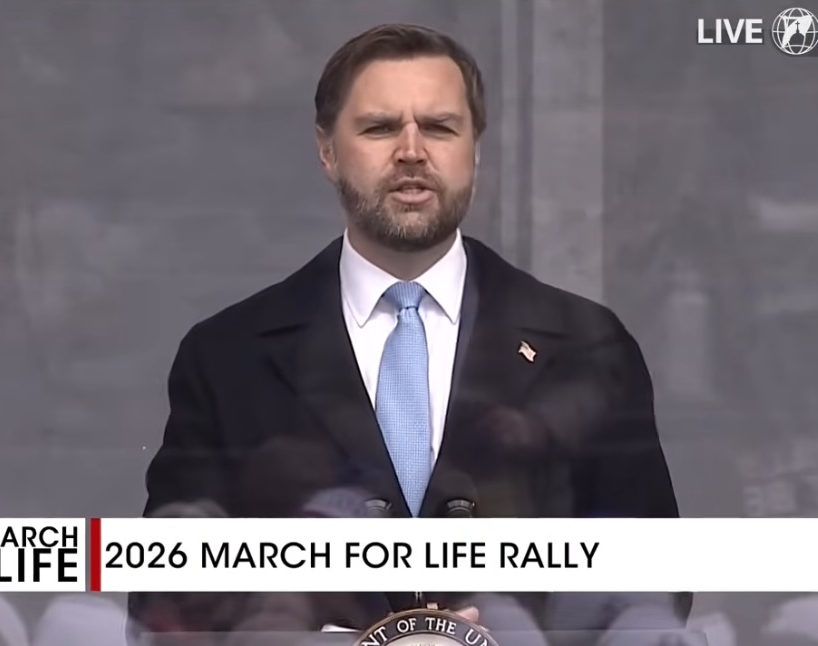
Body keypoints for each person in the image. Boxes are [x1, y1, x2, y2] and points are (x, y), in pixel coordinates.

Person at [132, 23, 689, 639]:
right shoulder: (227, 357)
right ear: (326, 150)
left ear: (475, 151)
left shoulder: (587, 344)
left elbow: (652, 581)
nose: (412, 151)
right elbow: (166, 593)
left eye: (441, 127)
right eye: (378, 128)